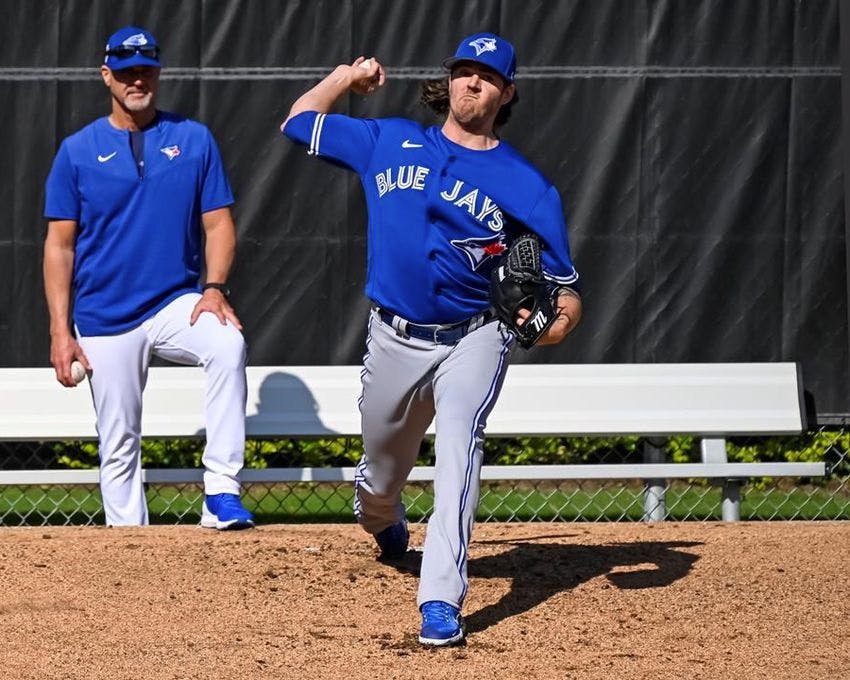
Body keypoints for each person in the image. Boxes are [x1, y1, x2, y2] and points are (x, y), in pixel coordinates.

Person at [280, 32, 582, 646]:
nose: (472, 83)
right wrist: (346, 77)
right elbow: (298, 122)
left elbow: (568, 292)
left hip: (475, 334)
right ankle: (385, 522)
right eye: (464, 71)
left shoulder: (527, 185)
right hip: (393, 335)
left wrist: (551, 327)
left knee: (458, 451)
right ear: (447, 81)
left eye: (487, 76)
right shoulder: (388, 140)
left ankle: (440, 598)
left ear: (507, 93)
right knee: (379, 481)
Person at [43, 26, 254, 530]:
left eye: (145, 69)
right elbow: (59, 245)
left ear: (158, 73)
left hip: (173, 301)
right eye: (125, 70)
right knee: (118, 442)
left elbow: (218, 222)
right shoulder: (76, 150)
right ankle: (130, 550)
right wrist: (59, 330)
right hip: (104, 313)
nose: (136, 79)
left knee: (227, 345)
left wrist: (214, 288)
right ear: (106, 75)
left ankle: (221, 492)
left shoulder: (193, 138)